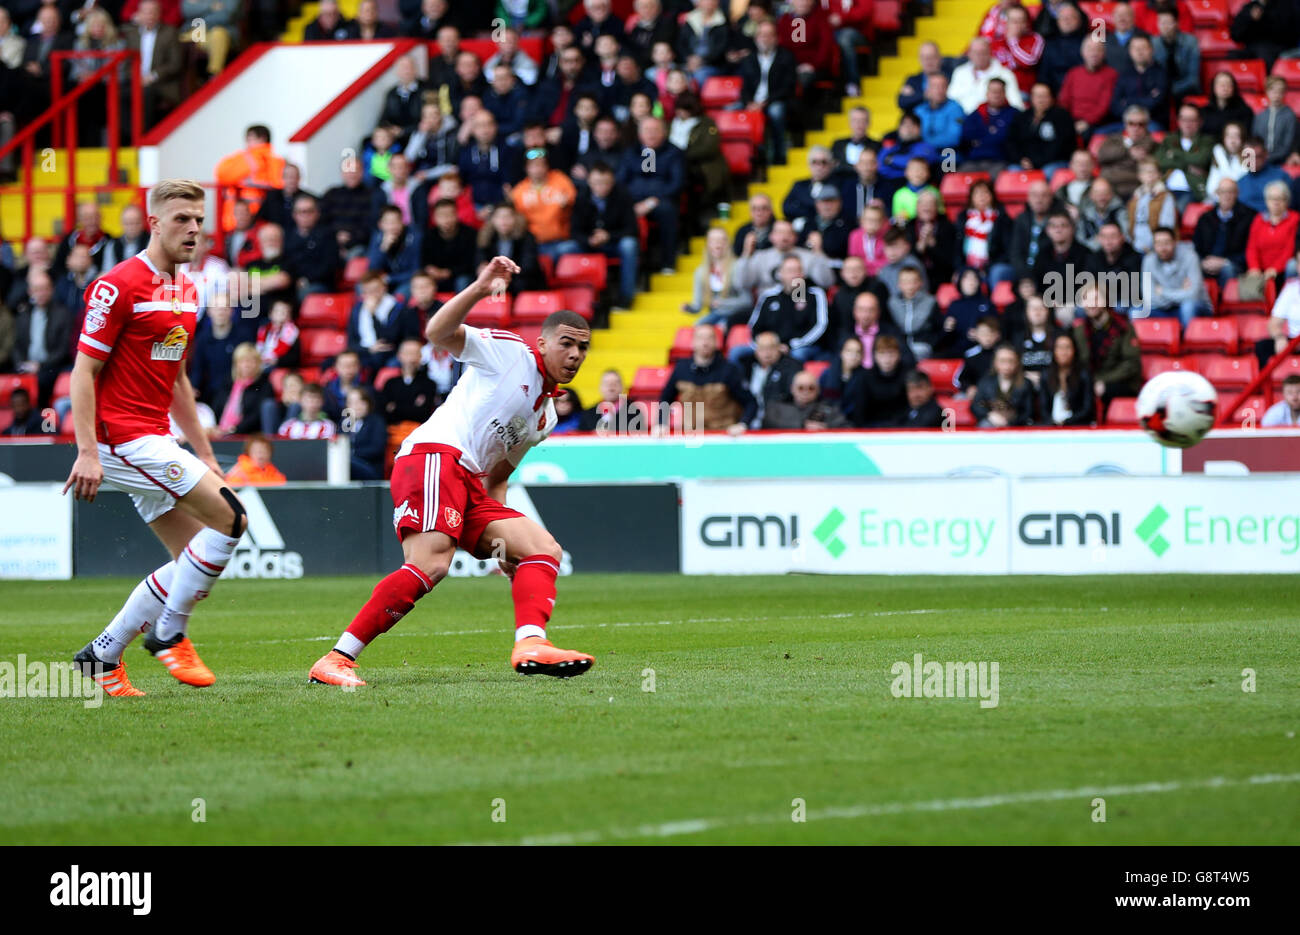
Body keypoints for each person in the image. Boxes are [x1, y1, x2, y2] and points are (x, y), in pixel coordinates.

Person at [308, 257, 597, 686]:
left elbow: (497, 478)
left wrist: (501, 548)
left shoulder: (546, 417)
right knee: (431, 563)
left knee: (541, 549)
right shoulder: (510, 353)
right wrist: (481, 289)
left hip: (469, 482)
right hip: (433, 456)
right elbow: (438, 333)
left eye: (582, 348)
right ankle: (337, 658)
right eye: (566, 343)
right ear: (542, 342)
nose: (574, 355)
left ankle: (531, 643)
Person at [65, 179, 247, 697]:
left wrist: (205, 452)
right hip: (120, 439)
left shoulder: (186, 290)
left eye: (198, 220)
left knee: (192, 561)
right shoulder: (117, 284)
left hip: (154, 437)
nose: (193, 229)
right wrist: (86, 452)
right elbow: (83, 371)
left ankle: (101, 655)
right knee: (232, 518)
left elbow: (178, 380)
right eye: (181, 219)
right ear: (154, 223)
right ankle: (170, 632)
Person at [659, 322, 754, 434]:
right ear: (693, 342)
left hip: (722, 435)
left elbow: (750, 402)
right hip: (691, 437)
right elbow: (665, 399)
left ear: (716, 343)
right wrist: (661, 424)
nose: (705, 342)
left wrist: (742, 424)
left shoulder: (729, 370)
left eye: (710, 338)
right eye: (700, 338)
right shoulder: (681, 368)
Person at [618, 116, 685, 274]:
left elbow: (677, 183)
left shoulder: (674, 153)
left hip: (660, 201)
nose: (651, 134)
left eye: (655, 130)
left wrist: (652, 201)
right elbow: (620, 181)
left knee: (668, 211)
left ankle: (668, 262)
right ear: (640, 134)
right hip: (632, 201)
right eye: (647, 130)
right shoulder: (630, 152)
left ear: (664, 132)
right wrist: (630, 203)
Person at [736, 256, 830, 365]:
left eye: (798, 270)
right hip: (768, 346)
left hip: (800, 347)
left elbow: (820, 326)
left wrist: (791, 345)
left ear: (803, 274)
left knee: (797, 355)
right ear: (780, 274)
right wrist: (765, 347)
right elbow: (754, 327)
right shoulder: (768, 296)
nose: (795, 275)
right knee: (737, 353)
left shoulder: (815, 294)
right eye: (790, 271)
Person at [572, 162, 640, 309]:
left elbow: (632, 229)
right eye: (597, 183)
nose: (601, 187)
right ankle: (576, 302)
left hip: (614, 243)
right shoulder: (581, 197)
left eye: (606, 183)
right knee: (564, 249)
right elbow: (574, 231)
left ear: (612, 182)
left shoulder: (623, 196)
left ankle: (626, 298)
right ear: (589, 181)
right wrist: (589, 240)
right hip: (589, 244)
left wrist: (609, 236)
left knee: (629, 245)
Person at [1072, 284, 1142, 416]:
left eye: (1096, 299)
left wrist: (1103, 381)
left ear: (1106, 301)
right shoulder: (1079, 331)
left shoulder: (1123, 327)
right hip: (1091, 382)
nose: (1091, 304)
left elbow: (1131, 365)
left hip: (1120, 381)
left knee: (1108, 390)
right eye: (1087, 299)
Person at [736, 20, 796, 165]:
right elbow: (743, 87)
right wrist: (749, 103)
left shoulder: (786, 57)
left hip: (774, 101)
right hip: (752, 102)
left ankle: (778, 155)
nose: (765, 39)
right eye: (762, 35)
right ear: (756, 38)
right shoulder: (749, 59)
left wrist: (765, 102)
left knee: (776, 112)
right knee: (729, 112)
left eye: (769, 35)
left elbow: (788, 87)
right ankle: (745, 160)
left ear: (776, 38)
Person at [12, 270, 72, 408]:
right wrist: (21, 363)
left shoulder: (63, 314)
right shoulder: (23, 315)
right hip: (25, 366)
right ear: (30, 291)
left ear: (51, 290)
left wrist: (41, 365)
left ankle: (44, 424)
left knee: (43, 381)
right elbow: (16, 346)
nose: (41, 293)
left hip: (51, 368)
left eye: (45, 288)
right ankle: (16, 427)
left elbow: (63, 349)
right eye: (37, 289)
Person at [511, 148, 579, 261]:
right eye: (533, 165)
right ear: (526, 168)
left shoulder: (560, 180)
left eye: (541, 164)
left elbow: (575, 202)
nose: (538, 169)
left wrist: (566, 204)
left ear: (547, 166)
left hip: (561, 241)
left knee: (570, 248)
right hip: (534, 245)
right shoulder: (519, 191)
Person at [1194, 178, 1256, 289]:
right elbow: (1196, 246)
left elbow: (1250, 250)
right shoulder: (1205, 218)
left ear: (1237, 193)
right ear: (1217, 194)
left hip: (1233, 264)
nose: (1226, 196)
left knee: (1228, 269)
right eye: (1223, 192)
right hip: (1207, 261)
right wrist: (1203, 261)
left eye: (1230, 192)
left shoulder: (1249, 216)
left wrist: (1225, 261)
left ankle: (1226, 304)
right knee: (1192, 264)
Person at [1143, 227, 1211, 327]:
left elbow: (1193, 295)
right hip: (1164, 309)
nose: (1163, 248)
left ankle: (1188, 340)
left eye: (1166, 243)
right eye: (1158, 244)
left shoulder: (1190, 257)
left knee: (1188, 306)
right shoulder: (1149, 260)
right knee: (1136, 311)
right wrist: (1181, 291)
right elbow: (1148, 298)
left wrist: (1163, 292)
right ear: (1154, 245)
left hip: (1196, 307)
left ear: (1175, 242)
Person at [1006, 83, 1075, 177]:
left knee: (1047, 173)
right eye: (1037, 96)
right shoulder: (1022, 117)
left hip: (1054, 162)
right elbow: (1012, 141)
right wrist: (1020, 159)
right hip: (1024, 163)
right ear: (1031, 98)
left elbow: (1060, 145)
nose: (1041, 100)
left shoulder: (1061, 116)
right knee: (1012, 171)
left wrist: (1036, 162)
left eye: (1045, 96)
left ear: (1051, 98)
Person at [685, 227, 750, 326]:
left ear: (728, 244)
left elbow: (747, 301)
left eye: (722, 240)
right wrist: (689, 308)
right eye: (713, 240)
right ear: (707, 244)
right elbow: (697, 306)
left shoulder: (738, 267)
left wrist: (723, 303)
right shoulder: (700, 272)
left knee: (720, 326)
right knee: (698, 327)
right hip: (716, 314)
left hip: (735, 314)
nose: (718, 244)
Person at [1058, 37, 1118, 143]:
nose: (1094, 53)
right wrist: (1068, 122)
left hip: (1096, 123)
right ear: (1083, 52)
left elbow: (1104, 106)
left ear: (1103, 54)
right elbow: (1064, 101)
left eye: (1098, 50)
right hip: (1072, 120)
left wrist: (1086, 122)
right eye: (1090, 49)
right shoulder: (1073, 73)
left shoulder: (1111, 74)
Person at [474, 203, 544, 293]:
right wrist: (482, 266)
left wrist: (504, 274)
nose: (503, 221)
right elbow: (480, 258)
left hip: (523, 281)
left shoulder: (526, 237)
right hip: (496, 280)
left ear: (515, 219)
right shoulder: (487, 237)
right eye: (499, 217)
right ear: (493, 220)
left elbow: (528, 265)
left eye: (508, 217)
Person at [948, 36, 1025, 114]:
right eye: (975, 52)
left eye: (983, 52)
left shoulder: (1005, 75)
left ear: (990, 53)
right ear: (969, 54)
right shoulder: (959, 72)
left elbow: (1016, 105)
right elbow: (950, 99)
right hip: (960, 120)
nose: (979, 56)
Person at [214, 342, 276, 436]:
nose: (246, 365)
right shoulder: (228, 383)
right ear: (236, 364)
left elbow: (256, 415)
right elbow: (216, 406)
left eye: (251, 361)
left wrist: (234, 430)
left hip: (246, 435)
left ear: (258, 364)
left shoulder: (263, 384)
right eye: (242, 361)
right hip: (221, 431)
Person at [1245, 180, 1300, 284]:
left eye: (1280, 199)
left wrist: (1275, 268)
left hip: (1283, 270)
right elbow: (1252, 248)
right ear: (1266, 201)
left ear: (1287, 201)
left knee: (1292, 265)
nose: (1276, 202)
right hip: (1260, 272)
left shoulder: (1294, 218)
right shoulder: (1258, 220)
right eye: (1272, 198)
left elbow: (1290, 248)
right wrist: (1254, 267)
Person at [972, 343, 1035, 427]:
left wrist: (1011, 421)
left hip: (1018, 425)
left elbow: (1028, 411)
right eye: (1002, 361)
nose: (1007, 365)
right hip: (991, 423)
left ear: (1017, 363)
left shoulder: (1026, 383)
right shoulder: (985, 381)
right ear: (995, 362)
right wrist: (990, 415)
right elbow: (976, 405)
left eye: (1011, 361)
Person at [762, 370, 849, 430]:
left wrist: (825, 428)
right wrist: (802, 426)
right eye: (801, 388)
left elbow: (846, 428)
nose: (806, 392)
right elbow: (768, 423)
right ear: (792, 389)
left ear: (818, 390)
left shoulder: (828, 408)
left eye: (811, 388)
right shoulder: (778, 406)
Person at [1039, 331, 1095, 426]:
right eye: (1060, 347)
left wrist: (1066, 422)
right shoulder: (1046, 376)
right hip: (1051, 427)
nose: (1064, 352)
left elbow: (1087, 409)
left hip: (1077, 426)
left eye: (1067, 347)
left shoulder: (1083, 375)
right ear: (1054, 351)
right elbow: (1043, 409)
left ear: (1074, 350)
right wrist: (1053, 423)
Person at [381, 337, 440, 425]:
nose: (411, 358)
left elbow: (423, 413)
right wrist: (413, 406)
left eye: (415, 353)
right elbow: (385, 412)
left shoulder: (429, 384)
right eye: (408, 353)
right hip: (393, 431)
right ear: (399, 355)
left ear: (421, 356)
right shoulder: (390, 383)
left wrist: (396, 407)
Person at [1125, 159, 1176, 255]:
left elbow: (1167, 225)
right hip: (1136, 246)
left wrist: (1156, 245)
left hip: (1156, 248)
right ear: (1139, 176)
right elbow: (1131, 223)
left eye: (1153, 171)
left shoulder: (1165, 196)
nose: (1150, 174)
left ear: (1159, 175)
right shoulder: (1135, 198)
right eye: (1145, 171)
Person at [859, 335, 910, 427]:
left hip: (901, 428)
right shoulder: (865, 377)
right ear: (875, 356)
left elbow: (909, 408)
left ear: (898, 355)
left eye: (891, 354)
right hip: (871, 428)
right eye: (882, 354)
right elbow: (860, 410)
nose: (887, 359)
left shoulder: (907, 375)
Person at [818, 335, 869, 425]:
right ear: (842, 352)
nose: (854, 356)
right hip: (829, 420)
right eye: (849, 351)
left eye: (858, 352)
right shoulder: (828, 374)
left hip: (856, 423)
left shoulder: (867, 376)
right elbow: (822, 400)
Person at [578, 368, 642, 434]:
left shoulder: (635, 412)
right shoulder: (588, 414)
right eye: (606, 383)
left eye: (615, 383)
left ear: (622, 387)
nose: (611, 386)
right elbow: (579, 437)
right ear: (600, 388)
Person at [344, 386, 387, 480]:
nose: (357, 406)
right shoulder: (344, 423)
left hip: (370, 468)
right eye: (352, 403)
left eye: (361, 402)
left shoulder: (376, 422)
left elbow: (377, 448)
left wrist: (352, 453)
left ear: (368, 404)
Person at [1255, 77, 1298, 168]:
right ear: (1267, 92)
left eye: (1280, 91)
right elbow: (1255, 140)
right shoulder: (1260, 116)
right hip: (1260, 161)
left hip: (1281, 161)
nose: (1277, 95)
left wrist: (1267, 158)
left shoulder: (1290, 116)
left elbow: (1288, 145)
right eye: (1273, 91)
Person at [956, 315, 1004, 395]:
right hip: (977, 394)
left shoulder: (1004, 354)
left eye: (991, 333)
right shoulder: (970, 355)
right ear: (976, 334)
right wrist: (968, 388)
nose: (987, 337)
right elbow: (960, 380)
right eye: (983, 333)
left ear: (998, 335)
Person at [1206, 122, 1250, 204]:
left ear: (1243, 139)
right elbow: (1210, 189)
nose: (1233, 140)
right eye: (1229, 136)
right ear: (1223, 138)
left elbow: (1240, 185)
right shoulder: (1218, 155)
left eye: (1236, 136)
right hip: (1217, 202)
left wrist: (1219, 154)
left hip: (1240, 203)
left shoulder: (1248, 155)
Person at [255, 299, 300, 371]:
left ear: (290, 316)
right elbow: (258, 348)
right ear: (270, 314)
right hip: (260, 363)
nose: (281, 314)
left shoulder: (293, 332)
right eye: (278, 311)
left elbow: (294, 357)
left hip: (277, 367)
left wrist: (276, 361)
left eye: (285, 312)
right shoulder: (264, 329)